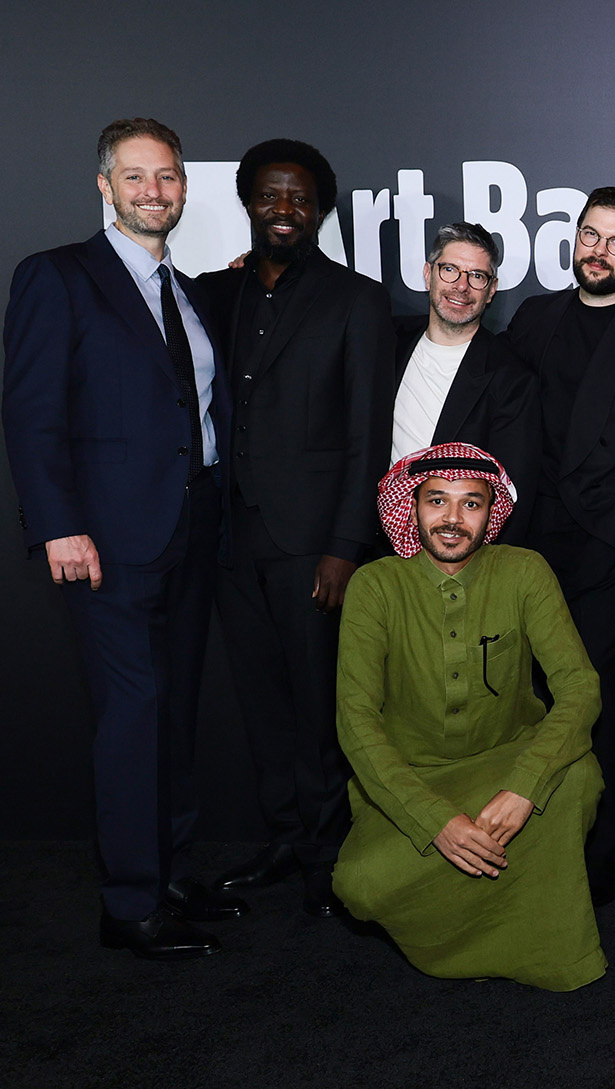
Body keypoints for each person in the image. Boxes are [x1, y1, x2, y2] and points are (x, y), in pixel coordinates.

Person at [3, 118, 242, 958]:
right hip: (105, 540)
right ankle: (130, 902)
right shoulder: (58, 276)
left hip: (193, 528)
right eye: (135, 177)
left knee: (173, 713)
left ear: (184, 187)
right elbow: (31, 413)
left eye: (167, 176)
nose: (154, 191)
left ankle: (170, 873)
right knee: (133, 716)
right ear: (105, 187)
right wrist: (59, 526)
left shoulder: (192, 292)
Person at [197, 138, 395, 916]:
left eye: (301, 199)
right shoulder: (215, 293)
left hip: (312, 542)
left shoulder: (357, 299)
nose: (285, 209)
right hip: (228, 536)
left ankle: (328, 854)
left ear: (320, 210)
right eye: (271, 195)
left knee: (319, 707)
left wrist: (345, 546)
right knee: (262, 704)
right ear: (248, 201)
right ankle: (284, 837)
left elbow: (367, 433)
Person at [332, 443, 605, 991]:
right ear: (412, 507)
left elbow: (580, 688)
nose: (452, 519)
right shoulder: (375, 585)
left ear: (491, 512)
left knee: (577, 776)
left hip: (507, 764)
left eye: (471, 503)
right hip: (412, 777)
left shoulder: (525, 571)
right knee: (358, 884)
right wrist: (437, 820)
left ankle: (535, 947)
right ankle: (460, 945)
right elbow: (355, 721)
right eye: (437, 501)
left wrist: (524, 786)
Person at [501, 187, 615, 902]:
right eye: (591, 235)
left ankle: (598, 859)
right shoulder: (535, 317)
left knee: (593, 700)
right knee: (527, 698)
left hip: (605, 547)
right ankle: (530, 847)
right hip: (529, 541)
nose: (599, 251)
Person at [389, 222, 539, 541]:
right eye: (450, 270)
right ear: (428, 274)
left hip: (460, 551)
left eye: (477, 276)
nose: (461, 286)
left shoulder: (512, 380)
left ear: (491, 290)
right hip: (376, 550)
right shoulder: (387, 341)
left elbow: (513, 497)